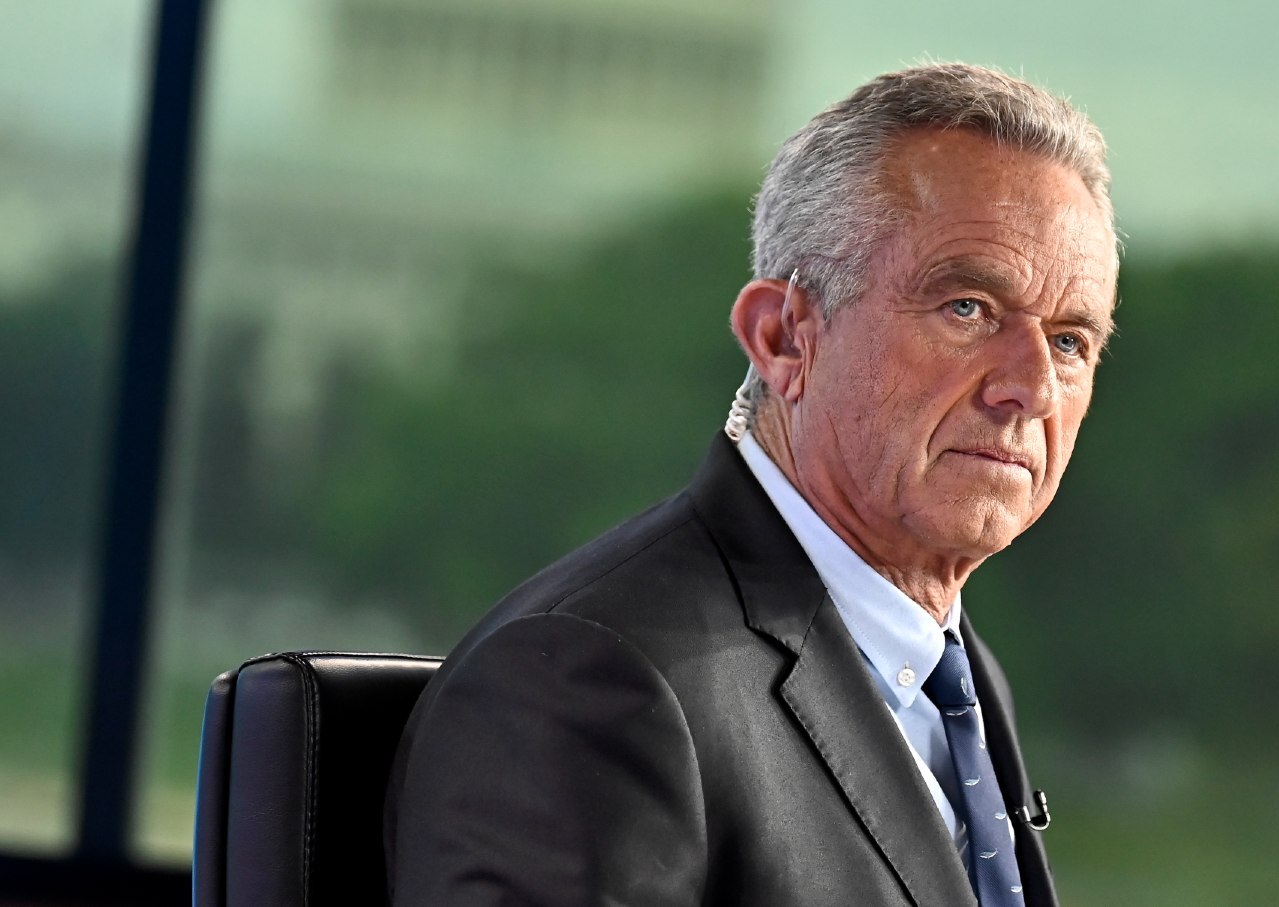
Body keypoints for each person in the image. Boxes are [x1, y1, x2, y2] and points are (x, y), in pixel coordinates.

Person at [385, 61, 1118, 907]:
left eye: (1070, 342)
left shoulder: (956, 674)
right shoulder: (587, 681)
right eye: (968, 309)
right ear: (784, 338)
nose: (1031, 387)